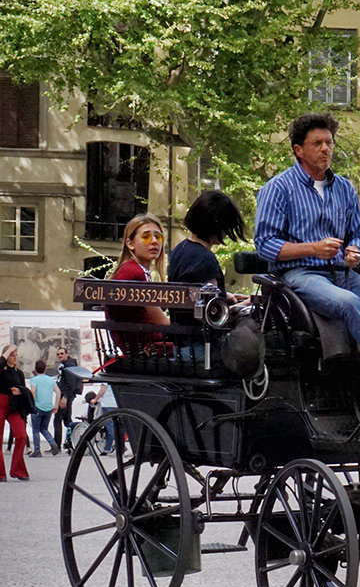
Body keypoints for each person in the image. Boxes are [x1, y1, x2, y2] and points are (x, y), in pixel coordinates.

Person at [254, 113, 360, 389]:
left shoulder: (344, 189)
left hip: (342, 273)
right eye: (317, 143)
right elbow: (265, 244)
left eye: (329, 142)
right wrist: (312, 248)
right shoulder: (277, 188)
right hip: (299, 275)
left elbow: (359, 233)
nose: (326, 149)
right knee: (350, 304)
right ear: (298, 150)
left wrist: (356, 250)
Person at [168, 190, 250, 319]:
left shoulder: (180, 249)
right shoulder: (204, 259)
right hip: (201, 336)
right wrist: (246, 305)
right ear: (218, 226)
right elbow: (214, 315)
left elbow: (193, 295)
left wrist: (223, 294)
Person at [106, 213, 171, 351]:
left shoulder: (130, 269)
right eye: (146, 236)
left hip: (142, 349)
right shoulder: (135, 272)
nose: (154, 241)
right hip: (149, 351)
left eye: (158, 236)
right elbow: (163, 322)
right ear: (130, 243)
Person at [0, 345, 31, 480]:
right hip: (0, 403)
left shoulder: (19, 373)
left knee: (21, 436)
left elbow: (24, 389)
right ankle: (1, 473)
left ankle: (17, 469)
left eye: (16, 355)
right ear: (6, 356)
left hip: (14, 405)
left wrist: (20, 391)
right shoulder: (1, 370)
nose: (15, 358)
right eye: (12, 355)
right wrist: (6, 352)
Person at [28, 359, 60, 457]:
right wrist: (56, 405)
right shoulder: (51, 380)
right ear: (45, 369)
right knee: (44, 429)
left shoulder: (34, 380)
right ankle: (53, 443)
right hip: (48, 408)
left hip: (38, 407)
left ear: (35, 369)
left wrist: (31, 405)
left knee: (36, 430)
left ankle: (37, 450)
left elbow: (33, 392)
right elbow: (58, 392)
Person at [53, 346, 80, 448]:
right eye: (58, 354)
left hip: (66, 395)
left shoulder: (69, 366)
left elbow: (71, 384)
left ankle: (56, 445)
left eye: (61, 353)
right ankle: (73, 441)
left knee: (58, 419)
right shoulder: (66, 365)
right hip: (67, 395)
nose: (60, 355)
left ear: (66, 354)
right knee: (67, 420)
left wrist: (65, 397)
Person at [95, 381, 117, 455]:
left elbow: (102, 391)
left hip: (108, 404)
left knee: (110, 426)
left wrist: (95, 399)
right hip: (117, 404)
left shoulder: (105, 379)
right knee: (118, 426)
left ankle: (107, 448)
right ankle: (121, 447)